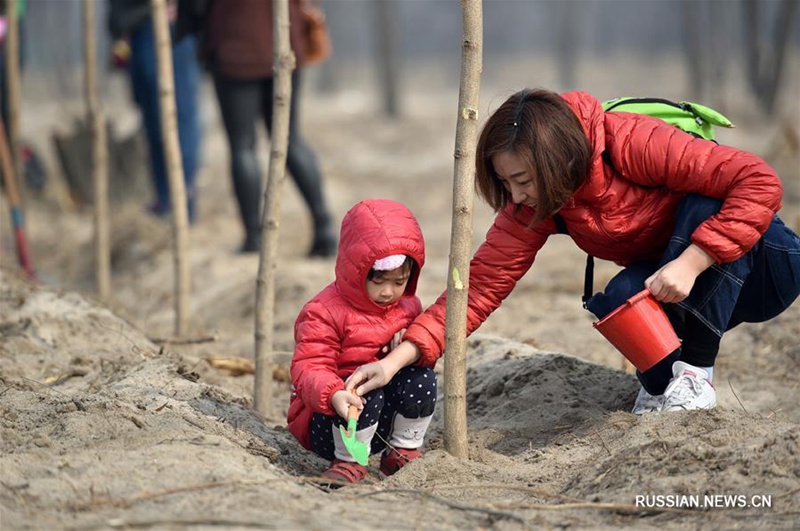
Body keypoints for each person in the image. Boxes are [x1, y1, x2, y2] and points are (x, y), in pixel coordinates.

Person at [346, 88, 800, 416]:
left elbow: (758, 181)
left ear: (557, 158)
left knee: (707, 203)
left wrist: (693, 260)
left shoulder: (630, 142)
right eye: (505, 183)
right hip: (690, 293)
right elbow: (479, 287)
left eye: (522, 180)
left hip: (767, 268)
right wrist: (395, 359)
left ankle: (696, 374)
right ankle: (668, 391)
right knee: (621, 293)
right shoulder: (538, 204)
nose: (516, 195)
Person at [287, 198, 435, 485]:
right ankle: (348, 461)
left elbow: (424, 352)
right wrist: (333, 394)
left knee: (422, 378)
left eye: (399, 281)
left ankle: (402, 449)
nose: (389, 292)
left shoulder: (408, 306)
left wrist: (407, 354)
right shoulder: (323, 311)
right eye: (379, 281)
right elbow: (308, 366)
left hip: (381, 424)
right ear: (357, 270)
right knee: (368, 394)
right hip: (331, 419)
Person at [201, 0, 337, 255]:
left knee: (242, 145)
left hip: (235, 45)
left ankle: (254, 237)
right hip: (284, 40)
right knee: (290, 139)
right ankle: (324, 227)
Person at [108, 0, 201, 221]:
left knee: (177, 119)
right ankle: (164, 199)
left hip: (164, 26)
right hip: (135, 31)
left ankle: (182, 203)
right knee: (153, 122)